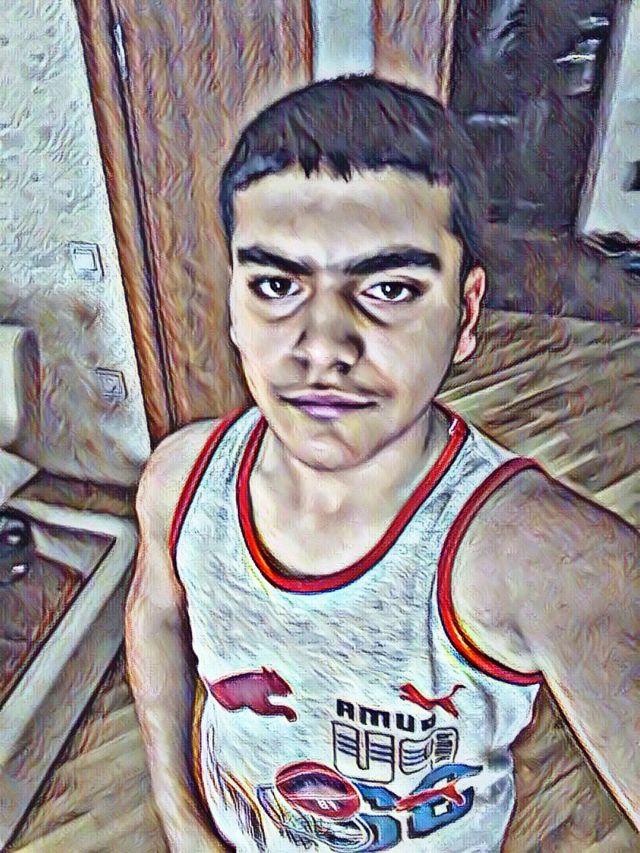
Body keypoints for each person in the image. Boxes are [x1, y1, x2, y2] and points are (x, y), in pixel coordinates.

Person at [125, 76, 639, 852]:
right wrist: (179, 815)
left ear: (465, 313)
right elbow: (156, 614)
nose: (323, 346)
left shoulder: (531, 557)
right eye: (276, 284)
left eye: (391, 287)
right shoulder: (181, 482)